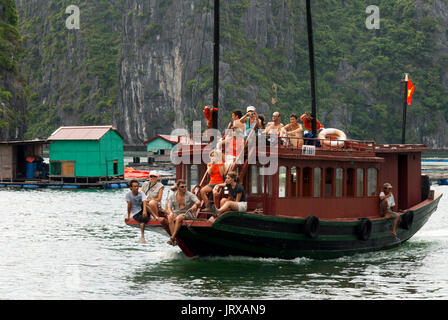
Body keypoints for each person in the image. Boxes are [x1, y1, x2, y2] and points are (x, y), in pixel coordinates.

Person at [166, 180, 201, 246]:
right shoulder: (172, 196)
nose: (184, 188)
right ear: (178, 187)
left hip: (188, 213)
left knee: (179, 218)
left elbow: (198, 201)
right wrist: (170, 213)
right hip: (177, 213)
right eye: (182, 187)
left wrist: (195, 205)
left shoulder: (189, 194)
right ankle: (175, 240)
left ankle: (173, 237)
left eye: (185, 186)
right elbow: (169, 207)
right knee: (169, 217)